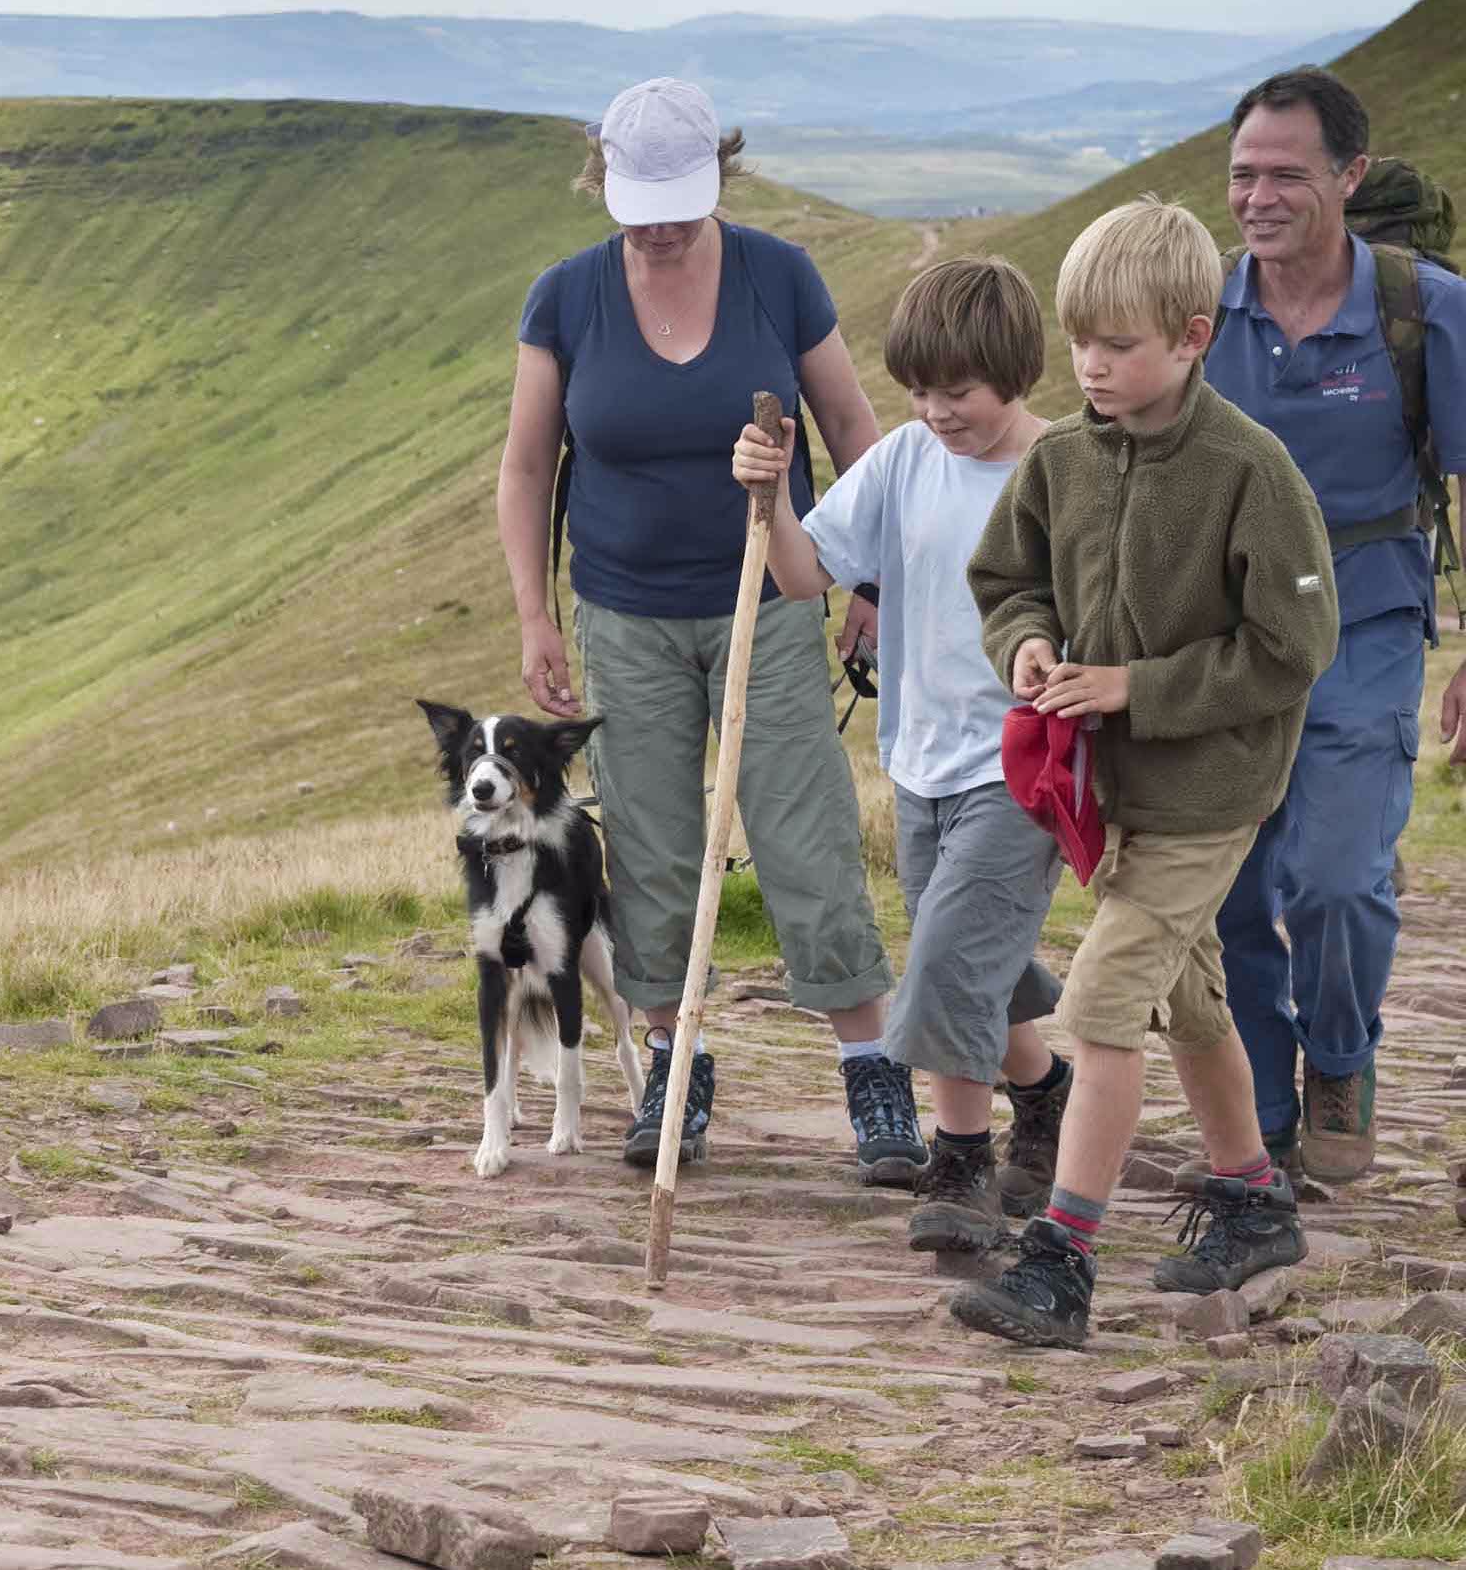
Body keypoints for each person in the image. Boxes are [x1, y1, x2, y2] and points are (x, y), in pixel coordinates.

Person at [499, 76, 916, 1181]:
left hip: (771, 603)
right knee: (649, 848)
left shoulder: (779, 276)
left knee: (803, 829)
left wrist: (868, 578)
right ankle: (672, 1074)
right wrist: (538, 618)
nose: (664, 227)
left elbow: (854, 428)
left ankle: (873, 1076)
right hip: (624, 615)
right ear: (605, 184)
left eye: (681, 202)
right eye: (642, 206)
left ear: (719, 175)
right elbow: (529, 464)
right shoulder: (565, 297)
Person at [956, 198, 1338, 1347]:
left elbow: (1294, 649)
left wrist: (1137, 687)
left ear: (1191, 335)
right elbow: (1006, 579)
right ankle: (1253, 1194)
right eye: (1080, 343)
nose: (1092, 367)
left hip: (1211, 794)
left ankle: (1060, 1260)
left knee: (1105, 1002)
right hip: (1111, 793)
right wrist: (1025, 641)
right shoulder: (1062, 458)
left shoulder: (1250, 470)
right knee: (1184, 993)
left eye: (1117, 347)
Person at [730, 257, 1074, 1254]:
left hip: (1021, 765)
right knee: (971, 962)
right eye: (917, 389)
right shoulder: (903, 461)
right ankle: (1045, 1096)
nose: (935, 409)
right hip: (918, 763)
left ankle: (960, 1162)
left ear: (1015, 371)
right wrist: (772, 497)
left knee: (947, 961)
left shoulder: (1067, 468)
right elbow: (803, 576)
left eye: (956, 391)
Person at [1206, 68, 1466, 1183]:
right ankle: (1261, 1111)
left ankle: (1342, 1065)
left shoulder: (1426, 310)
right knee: (1228, 889)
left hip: (1368, 618)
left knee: (1338, 879)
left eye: (1286, 174)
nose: (1258, 197)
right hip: (1222, 640)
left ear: (1350, 177)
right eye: (1241, 174)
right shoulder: (1201, 309)